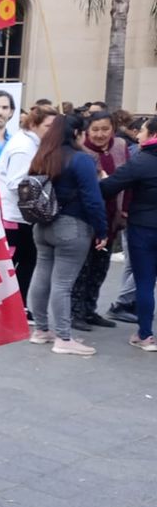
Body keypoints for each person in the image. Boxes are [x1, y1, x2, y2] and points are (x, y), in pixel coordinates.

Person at [27, 114, 108, 356]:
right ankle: (63, 337)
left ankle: (41, 330)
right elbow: (93, 199)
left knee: (41, 277)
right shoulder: (81, 160)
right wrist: (102, 230)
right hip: (72, 227)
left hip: (42, 224)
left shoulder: (42, 156)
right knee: (63, 284)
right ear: (76, 133)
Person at [100, 116, 157, 350]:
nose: (138, 134)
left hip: (143, 228)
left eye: (142, 131)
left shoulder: (141, 161)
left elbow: (109, 187)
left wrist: (102, 178)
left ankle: (145, 335)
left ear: (152, 134)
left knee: (144, 282)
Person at [0, 104, 60, 314]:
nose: (52, 131)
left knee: (25, 260)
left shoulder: (30, 142)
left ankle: (15, 305)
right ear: (34, 124)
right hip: (15, 214)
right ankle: (12, 306)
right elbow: (16, 183)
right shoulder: (24, 147)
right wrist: (42, 188)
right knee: (18, 260)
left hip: (20, 213)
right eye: (48, 126)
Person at [71, 111, 129, 330]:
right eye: (95, 129)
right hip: (87, 219)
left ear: (113, 129)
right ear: (86, 131)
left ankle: (89, 309)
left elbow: (129, 179)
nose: (100, 134)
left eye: (105, 129)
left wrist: (125, 211)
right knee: (82, 269)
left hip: (113, 218)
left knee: (100, 268)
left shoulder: (121, 146)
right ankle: (75, 312)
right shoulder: (80, 150)